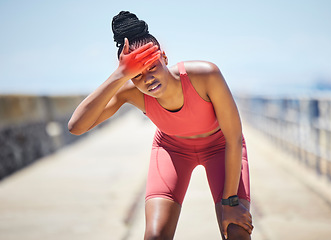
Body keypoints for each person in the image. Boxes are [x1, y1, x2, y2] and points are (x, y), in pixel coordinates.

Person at [68, 10, 253, 240]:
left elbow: (234, 138)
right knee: (155, 236)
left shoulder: (206, 75)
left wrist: (231, 202)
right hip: (172, 151)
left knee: (236, 232)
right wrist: (119, 75)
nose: (147, 80)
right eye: (136, 75)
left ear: (164, 57)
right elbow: (76, 126)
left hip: (220, 147)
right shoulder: (131, 92)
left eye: (152, 66)